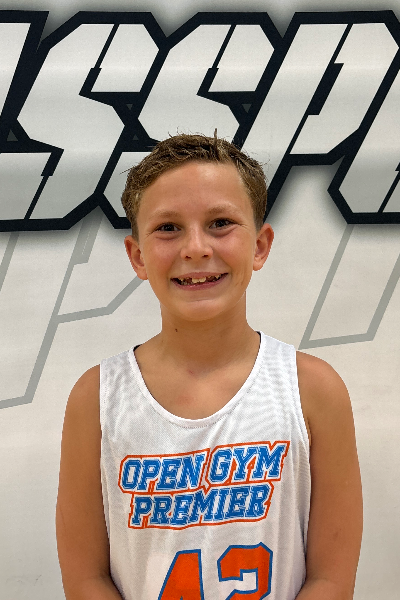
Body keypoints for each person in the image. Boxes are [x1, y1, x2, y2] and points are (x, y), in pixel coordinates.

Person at [56, 133, 363, 600]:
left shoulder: (313, 390)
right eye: (168, 228)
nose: (196, 248)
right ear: (137, 256)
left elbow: (331, 579)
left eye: (220, 223)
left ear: (260, 246)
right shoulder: (96, 398)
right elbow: (86, 579)